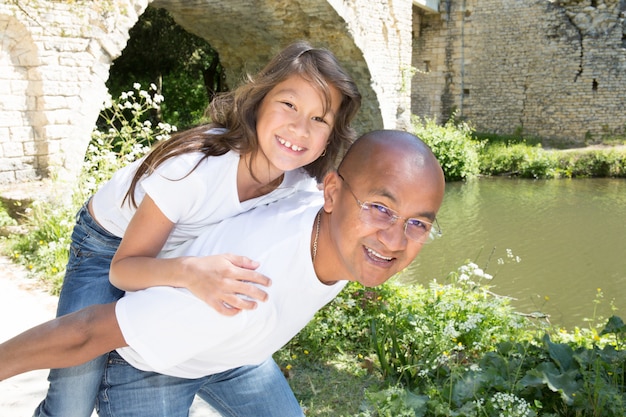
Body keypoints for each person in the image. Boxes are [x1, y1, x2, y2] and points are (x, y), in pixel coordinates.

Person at [0, 130, 445, 417]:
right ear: (332, 192)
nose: (395, 240)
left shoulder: (327, 211)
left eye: (418, 223)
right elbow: (87, 332)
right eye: (381, 209)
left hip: (234, 356)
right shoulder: (241, 283)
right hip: (156, 365)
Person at [37, 40, 361, 417]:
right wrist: (189, 273)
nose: (299, 128)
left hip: (181, 245)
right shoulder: (194, 170)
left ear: (328, 141)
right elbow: (123, 271)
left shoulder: (300, 186)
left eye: (319, 119)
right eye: (289, 104)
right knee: (71, 399)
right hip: (109, 245)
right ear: (258, 106)